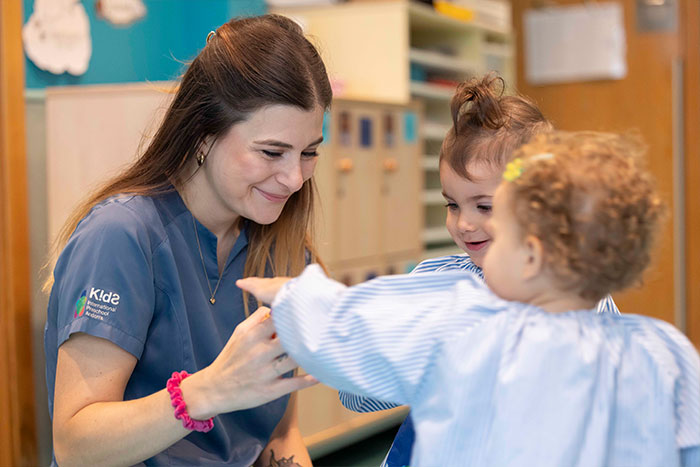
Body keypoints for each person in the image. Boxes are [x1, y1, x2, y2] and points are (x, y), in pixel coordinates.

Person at [238, 131, 700, 466]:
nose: (469, 229)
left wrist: (294, 297)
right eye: (453, 205)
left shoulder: (476, 324)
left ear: (530, 257)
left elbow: (357, 330)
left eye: (500, 227)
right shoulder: (665, 348)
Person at [43, 14, 332, 466]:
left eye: (309, 152)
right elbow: (75, 445)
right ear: (203, 133)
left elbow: (280, 434)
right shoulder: (121, 236)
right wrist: (208, 391)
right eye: (272, 152)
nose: (295, 178)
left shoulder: (284, 250)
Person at [341, 74, 618, 466]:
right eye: (453, 205)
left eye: (484, 206)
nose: (463, 224)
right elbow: (356, 398)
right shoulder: (434, 282)